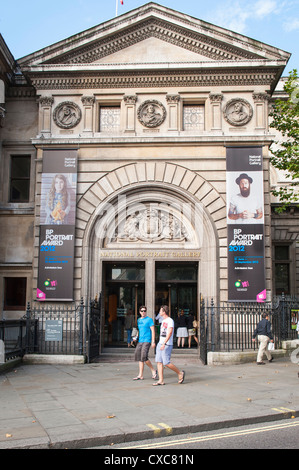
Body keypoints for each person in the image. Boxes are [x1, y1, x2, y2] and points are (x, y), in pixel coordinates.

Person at [153, 305, 185, 386]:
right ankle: (161, 380)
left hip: (166, 344)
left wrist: (164, 343)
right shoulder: (163, 321)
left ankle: (180, 373)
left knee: (166, 362)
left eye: (160, 311)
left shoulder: (170, 321)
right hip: (160, 343)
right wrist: (160, 343)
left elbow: (170, 333)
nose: (159, 312)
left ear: (164, 312)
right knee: (159, 362)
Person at [133, 306, 157, 380]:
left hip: (147, 340)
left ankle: (153, 370)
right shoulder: (139, 320)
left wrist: (153, 341)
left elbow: (153, 330)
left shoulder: (149, 320)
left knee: (144, 356)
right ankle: (140, 375)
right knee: (139, 356)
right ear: (139, 312)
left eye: (144, 311)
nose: (143, 312)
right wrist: (136, 337)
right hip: (140, 340)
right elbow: (139, 330)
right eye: (142, 311)